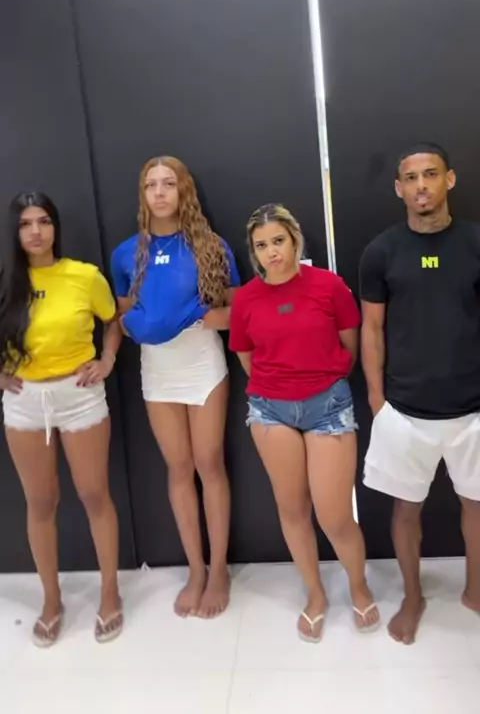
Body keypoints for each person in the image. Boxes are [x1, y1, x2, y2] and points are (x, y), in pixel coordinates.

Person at [229, 203, 379, 642]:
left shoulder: (328, 286)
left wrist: (320, 377)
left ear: (295, 240)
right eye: (262, 245)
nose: (272, 252)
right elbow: (246, 357)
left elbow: (349, 345)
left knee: (335, 515)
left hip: (327, 406)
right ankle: (315, 595)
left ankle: (359, 586)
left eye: (278, 241)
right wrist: (279, 384)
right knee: (293, 508)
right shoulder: (247, 299)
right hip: (271, 410)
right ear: (254, 252)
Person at [360, 143, 480, 645]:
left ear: (449, 179)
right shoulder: (381, 252)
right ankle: (413, 598)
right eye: (411, 178)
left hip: (472, 408)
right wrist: (376, 400)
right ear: (398, 188)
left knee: (477, 506)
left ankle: (475, 590)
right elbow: (371, 329)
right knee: (405, 511)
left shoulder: (475, 242)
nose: (421, 185)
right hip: (405, 411)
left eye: (430, 174)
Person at [111, 156, 240, 619]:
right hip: (158, 373)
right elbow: (122, 316)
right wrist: (139, 328)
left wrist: (196, 317)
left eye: (169, 183)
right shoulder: (127, 253)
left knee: (209, 463)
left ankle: (219, 569)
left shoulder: (211, 246)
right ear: (143, 194)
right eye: (151, 185)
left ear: (184, 189)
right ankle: (196, 570)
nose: (160, 192)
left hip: (202, 366)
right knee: (179, 467)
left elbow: (237, 313)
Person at [0, 192, 123, 647]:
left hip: (79, 396)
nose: (36, 231)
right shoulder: (6, 282)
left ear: (55, 227)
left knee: (94, 494)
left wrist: (107, 359)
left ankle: (110, 593)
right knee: (40, 501)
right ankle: (51, 601)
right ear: (15, 232)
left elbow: (113, 320)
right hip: (24, 401)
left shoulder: (83, 276)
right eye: (26, 223)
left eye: (44, 221)